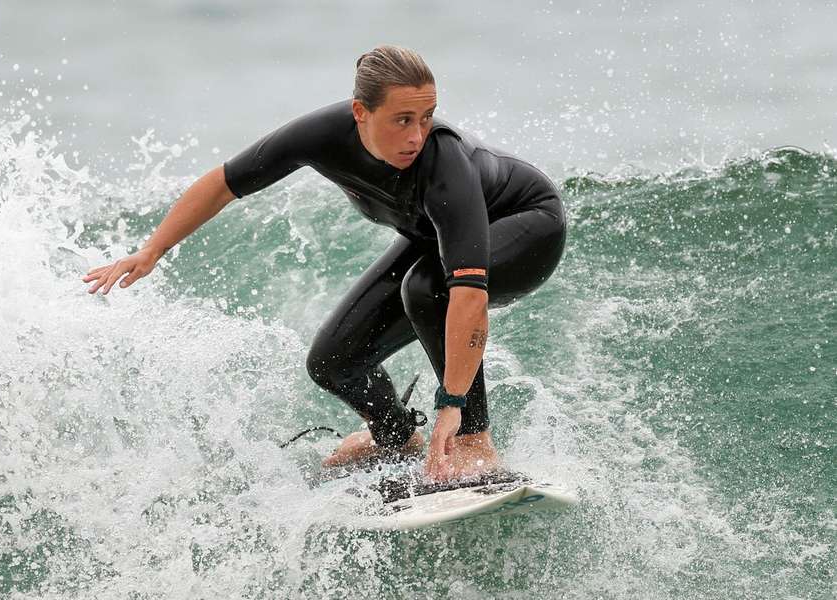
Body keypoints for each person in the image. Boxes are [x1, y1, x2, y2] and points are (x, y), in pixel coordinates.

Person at [82, 45, 566, 482]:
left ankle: (474, 443)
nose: (417, 134)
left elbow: (466, 294)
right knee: (333, 363)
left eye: (427, 117)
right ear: (361, 113)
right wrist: (152, 250)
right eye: (402, 119)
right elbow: (225, 182)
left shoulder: (444, 162)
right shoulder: (320, 135)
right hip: (434, 242)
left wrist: (453, 406)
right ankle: (395, 437)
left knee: (426, 287)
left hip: (527, 225)